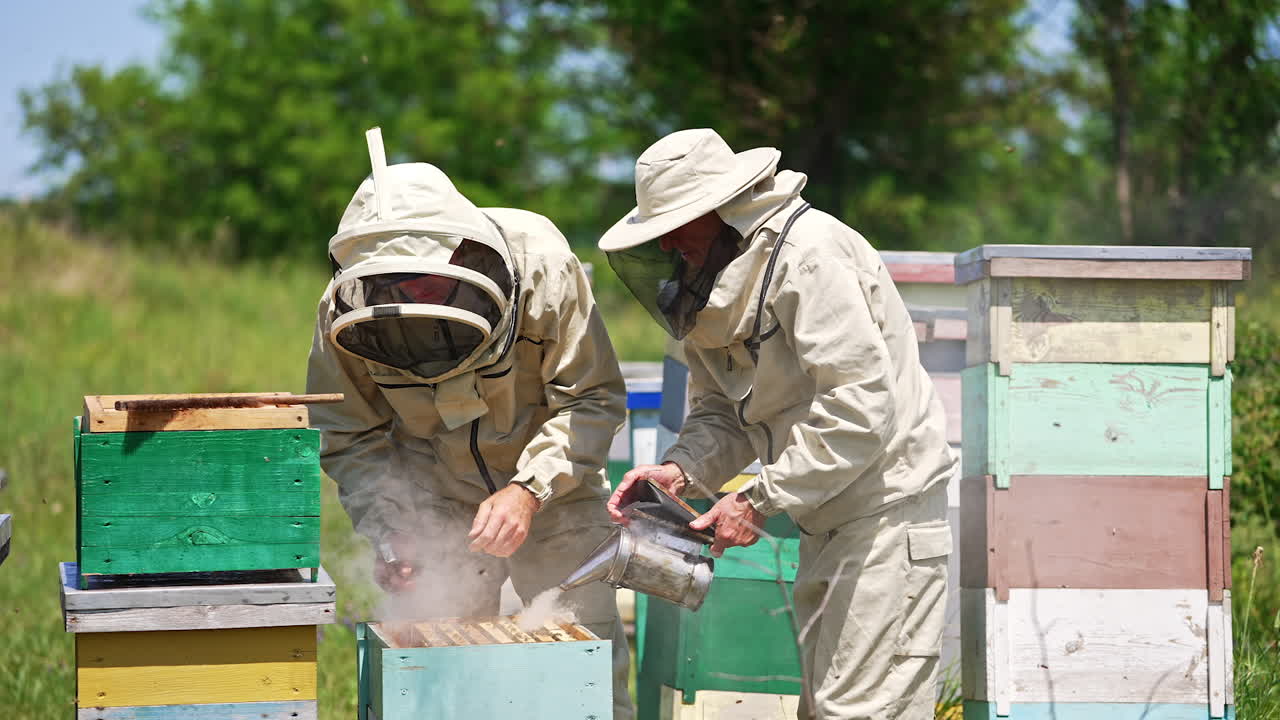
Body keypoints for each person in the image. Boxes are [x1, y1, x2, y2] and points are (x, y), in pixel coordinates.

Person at [599, 128, 956, 719]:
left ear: (721, 209)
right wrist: (679, 470)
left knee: (859, 712)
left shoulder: (810, 255)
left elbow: (860, 404)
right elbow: (723, 409)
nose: (669, 245)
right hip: (827, 517)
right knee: (823, 710)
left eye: (680, 226)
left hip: (886, 512)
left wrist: (758, 499)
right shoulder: (711, 281)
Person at [307, 129, 632, 719]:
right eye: (399, 288)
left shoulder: (545, 268)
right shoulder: (347, 311)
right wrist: (394, 527)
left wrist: (529, 490)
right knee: (444, 688)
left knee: (583, 676)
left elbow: (591, 399)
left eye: (428, 284)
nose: (414, 295)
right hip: (437, 506)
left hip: (555, 495)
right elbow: (348, 433)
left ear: (463, 254)